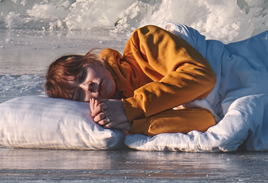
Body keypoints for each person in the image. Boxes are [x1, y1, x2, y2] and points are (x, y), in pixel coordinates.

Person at [45, 24, 219, 135]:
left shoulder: (143, 42)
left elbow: (202, 77)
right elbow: (207, 121)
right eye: (78, 95)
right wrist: (132, 124)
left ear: (92, 60)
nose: (88, 86)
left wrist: (131, 108)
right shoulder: (124, 115)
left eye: (82, 75)